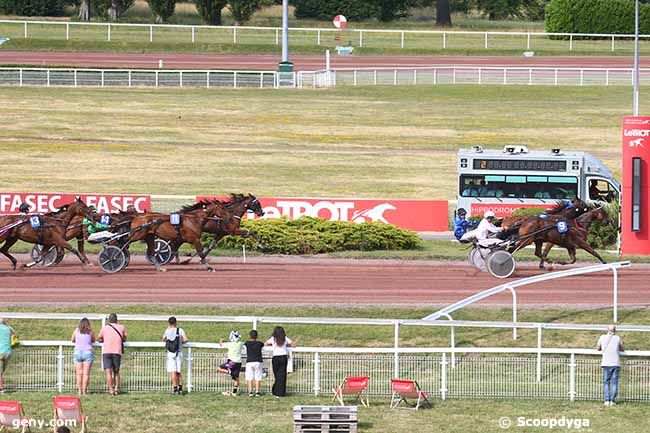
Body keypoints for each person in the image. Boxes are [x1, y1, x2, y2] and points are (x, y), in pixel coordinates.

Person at [98, 313, 127, 396]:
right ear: (116, 320)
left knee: (108, 372)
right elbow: (124, 338)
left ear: (109, 320)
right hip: (117, 351)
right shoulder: (121, 327)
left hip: (107, 351)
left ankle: (110, 389)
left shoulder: (105, 328)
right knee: (116, 372)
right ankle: (117, 389)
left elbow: (100, 338)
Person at [597, 325, 624, 406]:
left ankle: (606, 400)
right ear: (615, 330)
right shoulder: (617, 338)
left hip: (606, 363)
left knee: (606, 382)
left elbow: (598, 348)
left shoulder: (602, 337)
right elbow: (622, 348)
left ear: (607, 330)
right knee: (614, 382)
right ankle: (612, 400)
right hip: (615, 363)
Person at [265, 326, 294, 398]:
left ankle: (276, 391)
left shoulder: (273, 338)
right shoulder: (285, 338)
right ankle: (281, 392)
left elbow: (265, 343)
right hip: (283, 357)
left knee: (277, 375)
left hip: (276, 357)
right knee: (283, 375)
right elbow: (292, 344)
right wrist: (286, 345)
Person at [162, 317, 188, 395]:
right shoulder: (180, 330)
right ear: (176, 322)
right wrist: (181, 343)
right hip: (179, 352)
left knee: (173, 371)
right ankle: (180, 387)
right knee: (178, 371)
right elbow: (186, 340)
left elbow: (163, 339)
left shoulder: (167, 331)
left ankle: (174, 388)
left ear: (169, 323)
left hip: (170, 353)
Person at [71, 318, 95, 395]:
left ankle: (79, 391)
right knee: (86, 374)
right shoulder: (90, 331)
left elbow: (72, 340)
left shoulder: (76, 330)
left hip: (77, 352)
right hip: (87, 352)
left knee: (78, 374)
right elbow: (93, 340)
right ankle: (84, 391)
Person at [218, 330, 244, 396]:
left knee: (219, 368)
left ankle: (230, 372)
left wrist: (221, 340)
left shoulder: (229, 344)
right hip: (239, 362)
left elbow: (221, 344)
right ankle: (234, 393)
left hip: (231, 362)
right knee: (236, 378)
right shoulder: (240, 343)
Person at [244, 330, 265, 397]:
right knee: (258, 377)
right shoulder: (260, 343)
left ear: (250, 336)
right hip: (258, 361)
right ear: (257, 336)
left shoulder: (247, 343)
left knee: (249, 377)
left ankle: (250, 392)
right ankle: (257, 392)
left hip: (250, 361)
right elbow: (264, 344)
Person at [0, 318, 16, 394]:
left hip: (0, 352)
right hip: (8, 353)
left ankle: (1, 389)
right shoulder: (8, 328)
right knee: (1, 372)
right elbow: (14, 333)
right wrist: (6, 324)